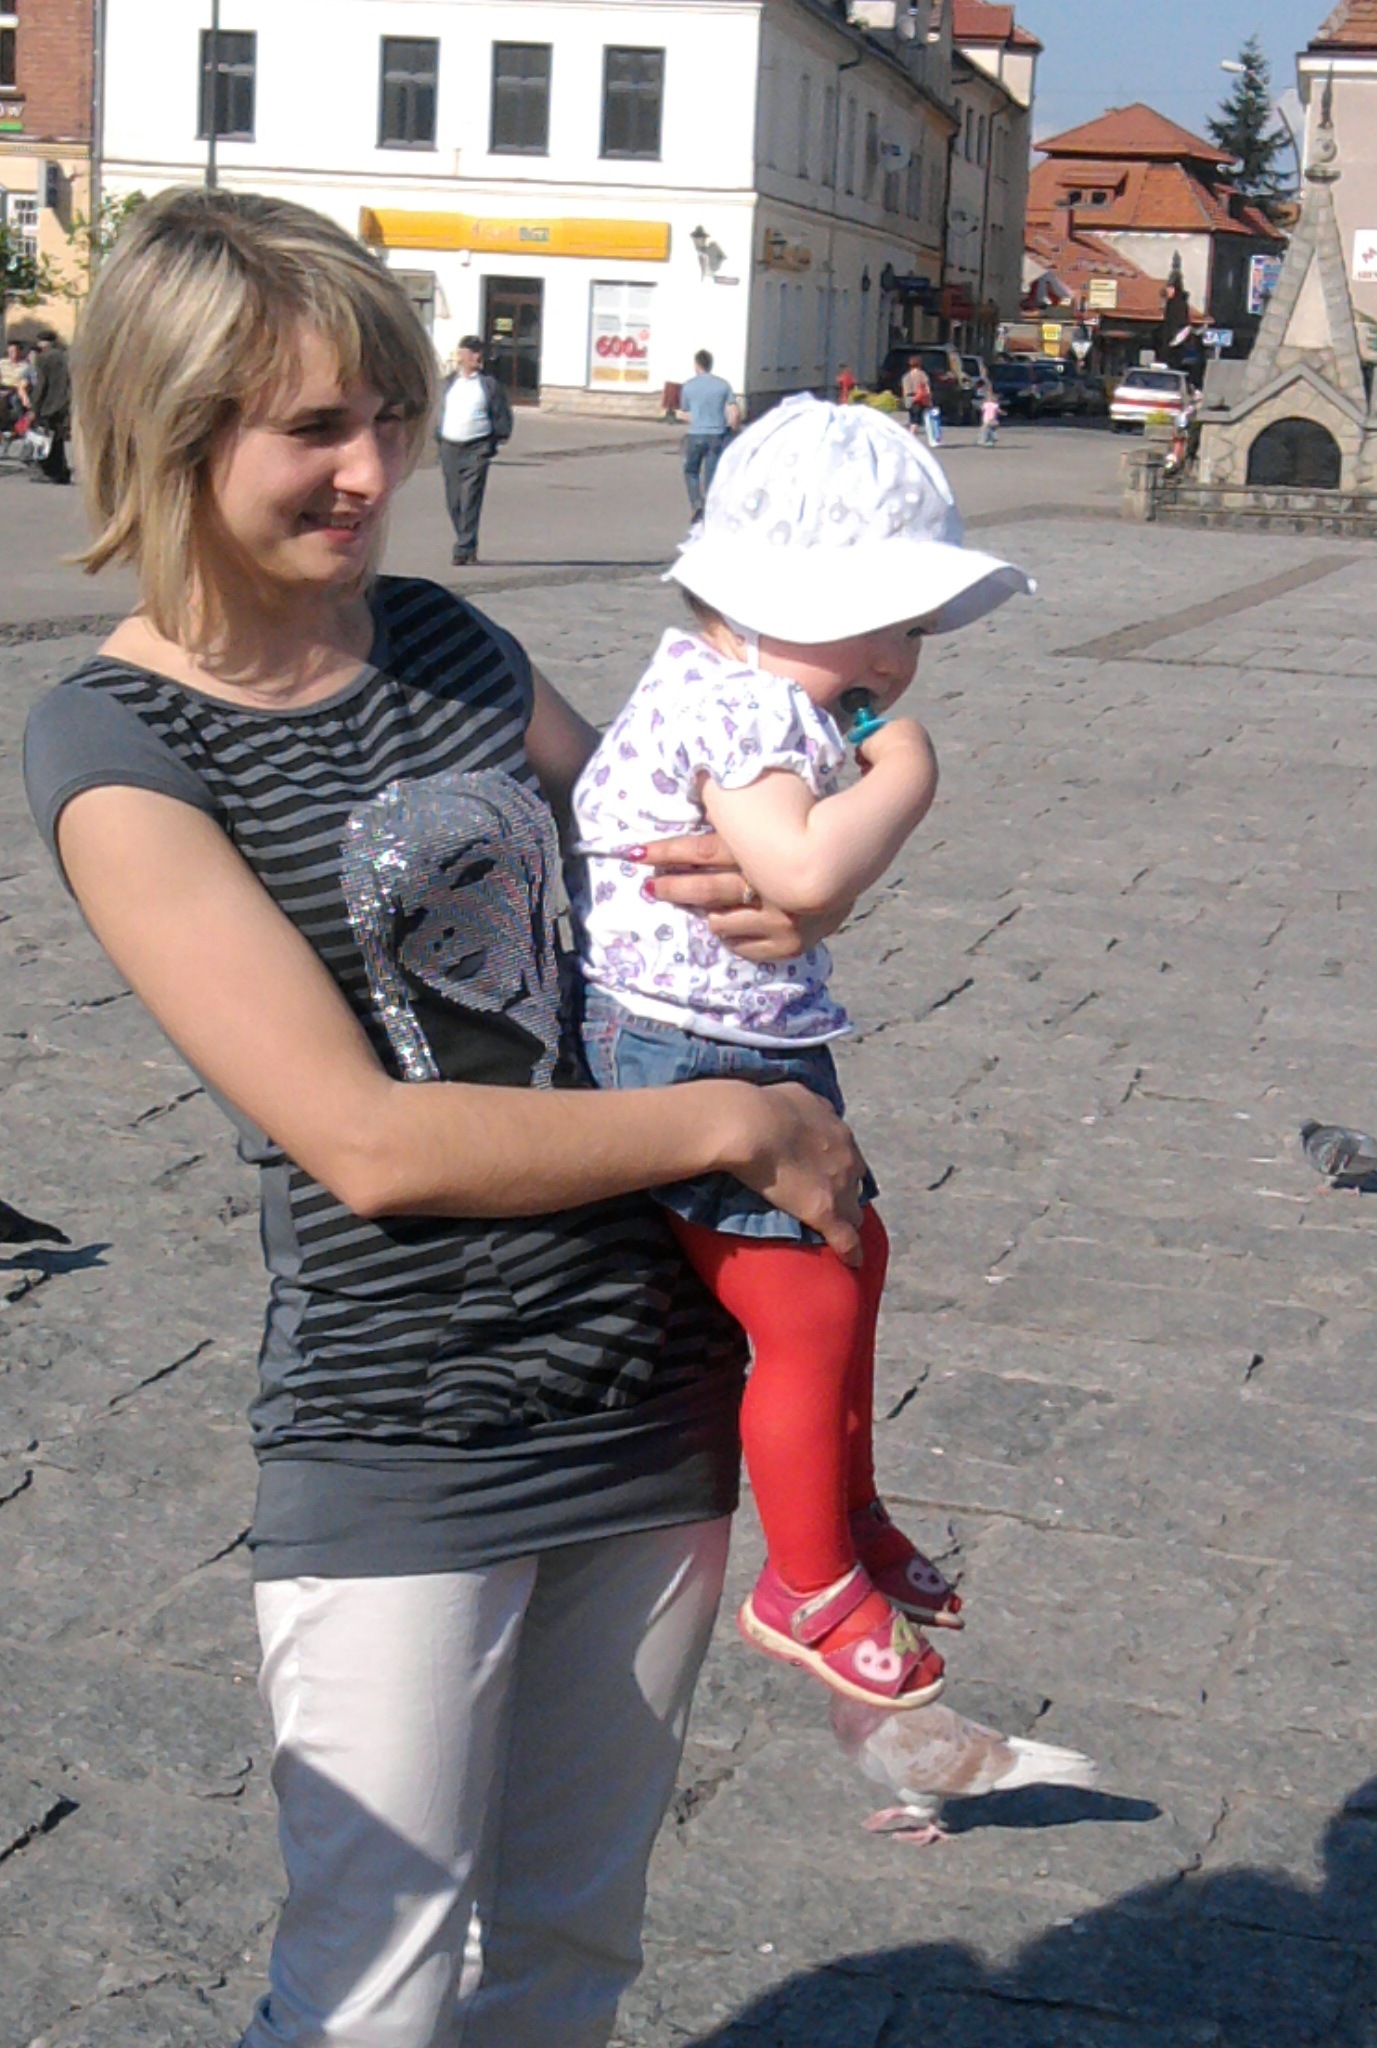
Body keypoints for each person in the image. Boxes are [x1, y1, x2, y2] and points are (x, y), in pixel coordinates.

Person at [22, 187, 866, 2048]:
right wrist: (732, 1122)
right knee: (372, 1989)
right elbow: (368, 1141)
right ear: (168, 431)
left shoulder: (445, 640)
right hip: (404, 1420)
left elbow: (670, 860)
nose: (371, 471)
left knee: (568, 1951)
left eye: (390, 417)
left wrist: (783, 863)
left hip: (647, 1382)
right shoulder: (117, 745)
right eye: (313, 428)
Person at [572, 394, 1034, 1710]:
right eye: (876, 622)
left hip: (734, 1038)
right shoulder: (745, 709)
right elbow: (804, 874)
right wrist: (910, 773)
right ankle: (808, 1581)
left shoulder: (740, 687)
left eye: (915, 631)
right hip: (684, 1055)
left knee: (854, 1253)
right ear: (762, 602)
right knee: (807, 1308)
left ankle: (845, 1506)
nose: (897, 658)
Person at [435, 332, 512, 567]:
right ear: (461, 355)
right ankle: (465, 542)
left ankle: (464, 547)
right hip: (450, 447)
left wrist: (492, 444)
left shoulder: (488, 384)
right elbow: (436, 413)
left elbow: (502, 415)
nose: (478, 357)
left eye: (480, 352)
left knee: (470, 498)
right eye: (473, 352)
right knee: (454, 500)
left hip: (477, 447)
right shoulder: (448, 384)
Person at [678, 348, 738, 524]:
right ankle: (710, 507)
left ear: (697, 365)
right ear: (711, 365)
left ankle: (696, 504)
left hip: (695, 434)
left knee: (691, 470)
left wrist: (682, 416)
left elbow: (686, 412)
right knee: (711, 474)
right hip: (717, 434)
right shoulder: (723, 385)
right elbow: (734, 413)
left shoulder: (688, 386)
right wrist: (733, 429)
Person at [29, 328, 72, 483]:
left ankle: (50, 471)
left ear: (42, 343)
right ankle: (62, 471)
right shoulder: (65, 357)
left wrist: (34, 407)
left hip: (48, 405)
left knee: (45, 439)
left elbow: (41, 385)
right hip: (64, 403)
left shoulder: (43, 358)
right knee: (58, 440)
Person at [0, 335, 34, 433]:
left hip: (15, 390)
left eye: (14, 351)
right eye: (10, 351)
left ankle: (16, 428)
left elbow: (23, 383)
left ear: (19, 352)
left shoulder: (25, 366)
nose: (12, 354)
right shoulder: (2, 363)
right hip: (2, 387)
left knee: (13, 401)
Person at [900, 354, 932, 436]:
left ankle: (911, 431)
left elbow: (904, 390)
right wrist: (929, 398)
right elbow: (926, 387)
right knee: (916, 418)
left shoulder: (906, 376)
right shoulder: (922, 374)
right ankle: (911, 433)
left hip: (908, 397)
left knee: (912, 416)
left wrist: (904, 400)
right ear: (919, 364)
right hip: (919, 397)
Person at [976, 381, 1001, 448]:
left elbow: (982, 408)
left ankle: (986, 440)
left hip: (989, 419)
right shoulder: (990, 403)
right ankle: (987, 440)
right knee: (988, 429)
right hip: (989, 419)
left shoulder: (991, 403)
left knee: (987, 429)